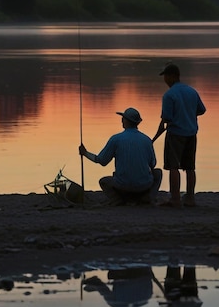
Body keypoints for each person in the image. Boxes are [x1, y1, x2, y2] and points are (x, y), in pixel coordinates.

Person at [79, 107, 162, 206]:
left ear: (125, 121)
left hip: (122, 186)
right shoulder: (147, 140)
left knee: (104, 181)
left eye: (123, 119)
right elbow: (153, 164)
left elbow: (101, 161)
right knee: (158, 173)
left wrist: (85, 153)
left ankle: (117, 199)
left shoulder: (116, 139)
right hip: (143, 186)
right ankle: (148, 198)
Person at [153, 63, 206, 207]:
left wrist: (155, 136)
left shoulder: (169, 95)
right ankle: (190, 199)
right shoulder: (192, 91)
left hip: (175, 134)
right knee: (190, 167)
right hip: (191, 133)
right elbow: (201, 110)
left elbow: (167, 119)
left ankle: (175, 199)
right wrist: (188, 113)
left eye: (165, 76)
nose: (164, 79)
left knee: (173, 166)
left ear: (172, 76)